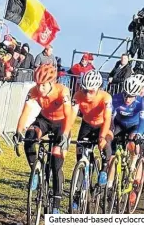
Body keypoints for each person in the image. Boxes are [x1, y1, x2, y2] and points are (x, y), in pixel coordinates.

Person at [13, 64, 72, 214]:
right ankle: (36, 171)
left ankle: (56, 204)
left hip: (61, 123)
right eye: (38, 85)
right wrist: (19, 130)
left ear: (52, 82)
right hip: (44, 120)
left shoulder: (62, 91)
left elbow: (69, 115)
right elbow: (25, 113)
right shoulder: (33, 91)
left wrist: (65, 134)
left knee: (56, 163)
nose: (40, 89)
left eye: (44, 86)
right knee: (30, 137)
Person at [70, 70, 112, 209]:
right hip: (87, 124)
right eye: (85, 90)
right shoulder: (77, 95)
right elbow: (71, 115)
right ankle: (78, 190)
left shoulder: (106, 98)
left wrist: (102, 137)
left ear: (98, 89)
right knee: (80, 152)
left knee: (104, 144)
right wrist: (66, 132)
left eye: (91, 91)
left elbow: (107, 119)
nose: (87, 94)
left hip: (102, 125)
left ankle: (104, 169)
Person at [107, 76, 144, 190]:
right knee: (112, 156)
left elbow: (143, 121)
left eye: (131, 96)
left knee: (132, 140)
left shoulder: (142, 102)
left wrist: (139, 135)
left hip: (134, 126)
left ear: (136, 95)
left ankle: (133, 163)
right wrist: (109, 131)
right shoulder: (116, 98)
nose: (127, 99)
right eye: (126, 95)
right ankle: (109, 185)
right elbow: (110, 118)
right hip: (119, 124)